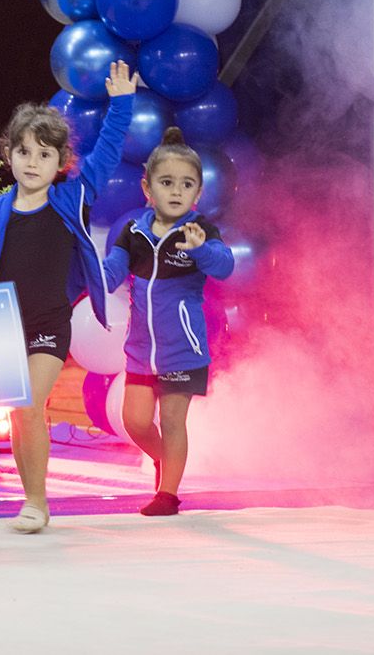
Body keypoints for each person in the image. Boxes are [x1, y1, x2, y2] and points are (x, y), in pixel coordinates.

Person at [0, 61, 135, 533]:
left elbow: (105, 153)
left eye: (44, 154)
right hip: (3, 327)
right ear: (8, 154)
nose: (32, 162)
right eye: (23, 152)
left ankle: (37, 504)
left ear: (61, 161)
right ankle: (29, 497)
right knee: (24, 417)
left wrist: (121, 104)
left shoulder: (71, 197)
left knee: (28, 405)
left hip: (49, 322)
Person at [104, 127, 234, 516]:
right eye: (166, 182)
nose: (176, 191)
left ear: (198, 193)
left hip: (184, 351)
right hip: (141, 352)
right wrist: (87, 274)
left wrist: (202, 250)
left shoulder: (201, 231)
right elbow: (112, 273)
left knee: (174, 420)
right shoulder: (134, 232)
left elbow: (225, 266)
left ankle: (168, 495)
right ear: (148, 188)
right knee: (136, 422)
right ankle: (166, 464)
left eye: (186, 184)